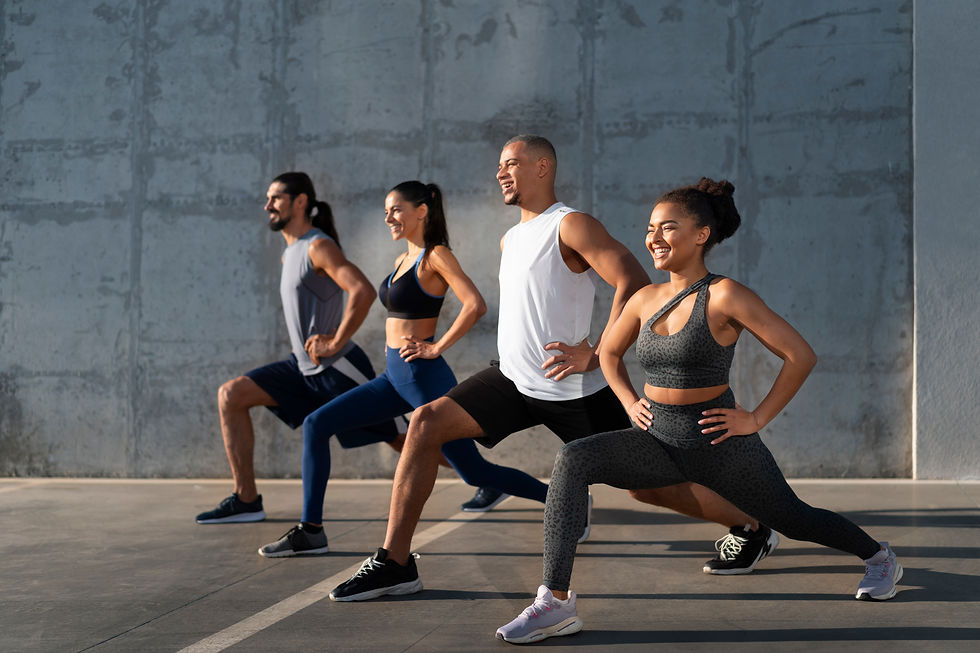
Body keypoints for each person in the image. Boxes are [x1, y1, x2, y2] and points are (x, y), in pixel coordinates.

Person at [327, 136, 773, 602]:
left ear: (542, 167)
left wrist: (597, 351)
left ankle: (751, 526)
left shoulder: (571, 225)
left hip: (575, 390)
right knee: (425, 423)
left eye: (511, 164)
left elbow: (633, 279)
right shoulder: (511, 238)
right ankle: (395, 562)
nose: (501, 173)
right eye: (499, 165)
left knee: (651, 489)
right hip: (512, 380)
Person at [495, 178, 903, 644]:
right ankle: (555, 602)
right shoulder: (644, 299)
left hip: (719, 444)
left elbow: (800, 355)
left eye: (668, 227)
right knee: (573, 459)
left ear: (701, 234)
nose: (654, 237)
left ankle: (879, 557)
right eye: (650, 228)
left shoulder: (725, 295)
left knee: (795, 519)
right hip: (657, 439)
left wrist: (756, 418)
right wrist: (629, 401)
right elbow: (608, 353)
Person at [257, 181, 551, 557]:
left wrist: (437, 346)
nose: (389, 218)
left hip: (424, 379)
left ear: (421, 211)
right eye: (386, 212)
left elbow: (474, 304)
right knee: (317, 424)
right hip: (394, 377)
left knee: (475, 472)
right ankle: (311, 530)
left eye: (396, 209)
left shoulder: (436, 255)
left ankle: (562, 498)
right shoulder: (402, 259)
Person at [195, 172, 399, 524]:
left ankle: (483, 477)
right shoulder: (290, 253)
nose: (268, 205)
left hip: (337, 369)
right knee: (231, 395)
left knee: (401, 436)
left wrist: (335, 340)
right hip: (302, 369)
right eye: (268, 198)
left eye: (276, 198)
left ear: (300, 201)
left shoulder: (317, 246)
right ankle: (246, 499)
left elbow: (362, 291)